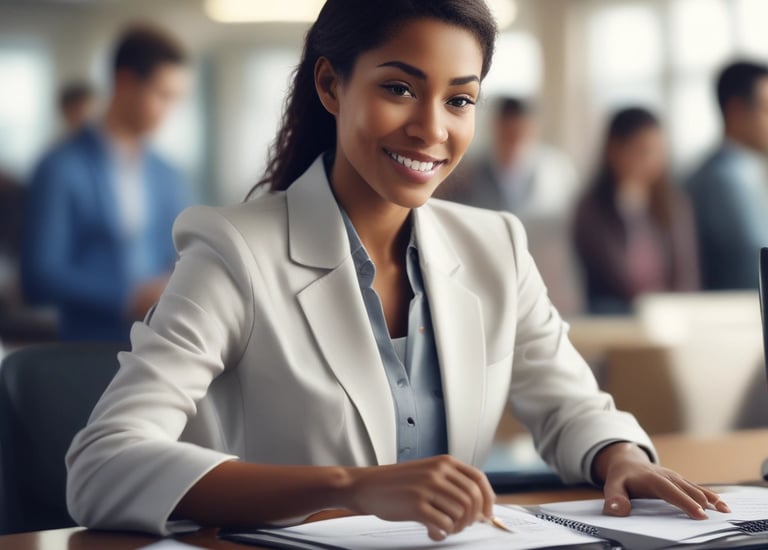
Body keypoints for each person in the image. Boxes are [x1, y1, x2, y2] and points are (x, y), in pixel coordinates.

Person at [66, 1, 728, 541]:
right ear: (331, 84)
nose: (430, 128)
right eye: (399, 88)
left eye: (459, 101)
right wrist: (350, 486)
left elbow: (567, 402)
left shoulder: (495, 243)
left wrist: (621, 459)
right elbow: (103, 463)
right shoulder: (235, 252)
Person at [22, 24, 189, 341]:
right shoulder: (60, 167)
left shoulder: (167, 174)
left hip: (161, 346)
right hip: (88, 350)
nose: (170, 112)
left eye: (176, 99)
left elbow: (181, 256)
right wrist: (128, 297)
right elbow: (39, 275)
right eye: (162, 95)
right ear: (125, 82)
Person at [439, 96, 582, 314]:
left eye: (522, 133)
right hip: (483, 275)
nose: (515, 141)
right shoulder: (468, 173)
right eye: (508, 133)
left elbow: (566, 236)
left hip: (541, 275)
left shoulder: (557, 172)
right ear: (496, 129)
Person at [573, 107, 699, 314]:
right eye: (642, 151)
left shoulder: (674, 203)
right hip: (614, 316)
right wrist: (629, 209)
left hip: (669, 315)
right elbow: (618, 275)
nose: (652, 162)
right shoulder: (591, 208)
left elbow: (686, 275)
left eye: (658, 152)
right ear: (614, 150)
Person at [687, 61, 768, 290]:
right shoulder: (726, 178)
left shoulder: (741, 170)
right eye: (766, 109)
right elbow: (756, 256)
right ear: (736, 110)